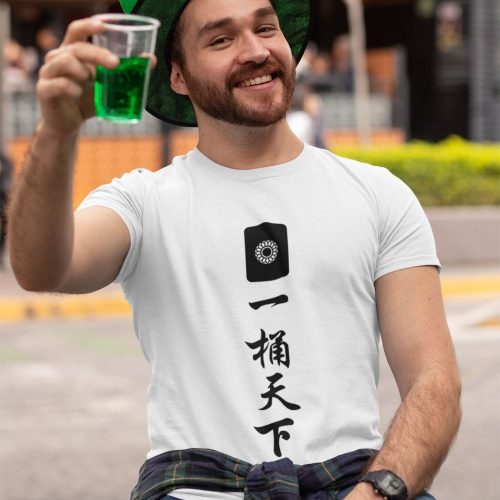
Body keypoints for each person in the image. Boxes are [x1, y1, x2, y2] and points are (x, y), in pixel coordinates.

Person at [7, 0, 461, 499]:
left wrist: (377, 492)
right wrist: (57, 131)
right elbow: (41, 266)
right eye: (221, 40)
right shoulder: (142, 202)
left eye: (265, 27)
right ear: (177, 76)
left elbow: (433, 382)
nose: (254, 50)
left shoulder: (378, 195)